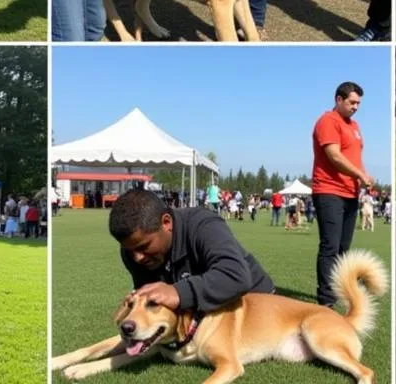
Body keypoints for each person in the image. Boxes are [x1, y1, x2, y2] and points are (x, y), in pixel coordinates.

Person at [109, 188, 274, 314]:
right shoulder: (132, 251)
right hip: (202, 315)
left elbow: (236, 276)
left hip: (258, 305)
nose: (137, 257)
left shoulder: (203, 224)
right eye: (129, 250)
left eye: (144, 246)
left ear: (166, 222)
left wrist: (177, 292)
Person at [312, 82, 373, 307]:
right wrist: (359, 174)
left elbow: (355, 156)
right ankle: (326, 298)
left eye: (358, 103)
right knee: (330, 246)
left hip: (350, 192)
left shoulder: (354, 125)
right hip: (329, 190)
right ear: (339, 99)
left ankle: (338, 289)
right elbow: (334, 156)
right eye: (352, 102)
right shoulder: (328, 121)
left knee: (343, 248)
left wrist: (363, 177)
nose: (356, 107)